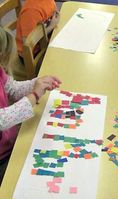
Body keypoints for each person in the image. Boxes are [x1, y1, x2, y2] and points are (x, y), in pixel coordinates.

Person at [0, 26, 61, 185]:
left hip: (10, 141)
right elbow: (2, 119)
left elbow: (13, 89)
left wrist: (37, 82)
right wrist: (33, 96)